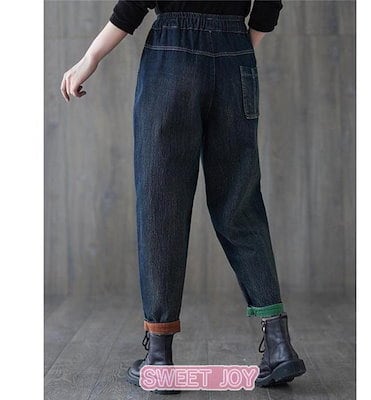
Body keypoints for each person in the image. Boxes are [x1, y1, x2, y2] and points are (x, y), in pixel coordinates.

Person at [60, 0, 306, 394]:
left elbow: (134, 4)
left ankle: (159, 357)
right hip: (235, 55)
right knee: (240, 204)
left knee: (162, 204)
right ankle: (279, 345)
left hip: (172, 55)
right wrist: (235, 48)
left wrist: (90, 57)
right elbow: (269, 3)